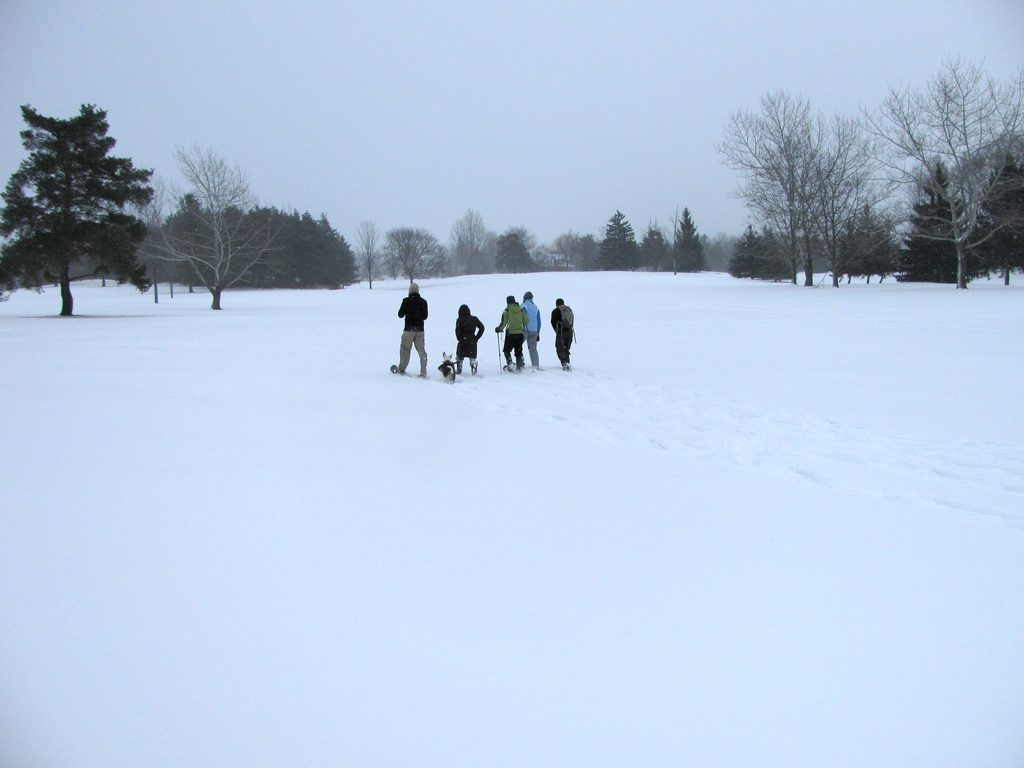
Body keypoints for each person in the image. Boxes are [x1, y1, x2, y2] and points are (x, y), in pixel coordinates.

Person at [396, 282, 428, 376]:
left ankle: (401, 368)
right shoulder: (423, 302)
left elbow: (400, 314)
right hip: (420, 330)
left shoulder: (406, 301)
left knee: (405, 349)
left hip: (408, 329)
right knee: (421, 351)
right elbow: (425, 316)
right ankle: (423, 371)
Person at [495, 295, 528, 371]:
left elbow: (504, 322)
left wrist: (498, 329)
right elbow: (526, 320)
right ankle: (519, 367)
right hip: (520, 334)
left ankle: (510, 365)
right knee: (518, 350)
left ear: (507, 302)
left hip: (510, 334)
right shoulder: (520, 309)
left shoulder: (507, 310)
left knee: (506, 350)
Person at [454, 304, 485, 375]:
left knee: (459, 356)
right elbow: (482, 328)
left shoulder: (459, 320)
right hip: (472, 340)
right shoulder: (474, 319)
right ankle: (473, 366)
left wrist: (459, 338)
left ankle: (459, 368)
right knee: (472, 356)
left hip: (463, 341)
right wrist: (477, 337)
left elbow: (457, 331)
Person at [550, 297, 574, 371]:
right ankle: (567, 362)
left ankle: (564, 363)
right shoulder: (568, 309)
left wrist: (557, 331)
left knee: (560, 348)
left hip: (561, 333)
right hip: (570, 332)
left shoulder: (555, 311)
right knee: (566, 348)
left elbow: (553, 322)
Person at [521, 291, 542, 370]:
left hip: (525, 330)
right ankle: (536, 365)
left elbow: (523, 317)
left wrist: (524, 328)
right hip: (534, 331)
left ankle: (521, 363)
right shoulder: (536, 307)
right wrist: (538, 332)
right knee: (533, 348)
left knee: (518, 346)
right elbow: (539, 321)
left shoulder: (523, 306)